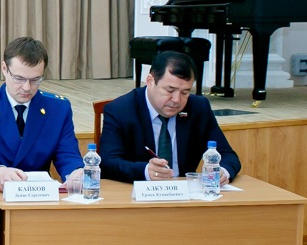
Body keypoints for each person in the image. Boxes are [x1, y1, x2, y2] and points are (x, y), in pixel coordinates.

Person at [0, 37, 84, 189]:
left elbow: (67, 154)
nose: (27, 87)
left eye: (35, 79)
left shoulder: (58, 109)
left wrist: (76, 172)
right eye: (19, 78)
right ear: (4, 69)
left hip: (40, 194)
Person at [99, 50, 241, 183]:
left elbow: (228, 155)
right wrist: (145, 171)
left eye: (185, 92)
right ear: (150, 81)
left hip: (185, 194)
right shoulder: (120, 109)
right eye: (170, 90)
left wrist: (223, 172)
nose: (177, 100)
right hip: (137, 193)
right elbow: (107, 162)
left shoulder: (198, 108)